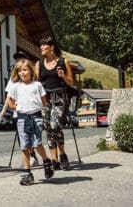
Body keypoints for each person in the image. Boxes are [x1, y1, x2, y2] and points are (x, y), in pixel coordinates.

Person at [9, 59, 54, 185]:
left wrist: (36, 108)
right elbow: (11, 103)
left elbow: (44, 101)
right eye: (19, 71)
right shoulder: (15, 87)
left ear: (30, 70)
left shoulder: (37, 85)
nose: (22, 73)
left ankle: (46, 161)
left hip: (36, 117)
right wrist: (17, 107)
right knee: (24, 147)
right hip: (22, 118)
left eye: (25, 70)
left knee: (36, 144)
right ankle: (28, 173)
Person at [35, 36, 74, 170]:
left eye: (43, 45)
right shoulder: (39, 64)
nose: (41, 48)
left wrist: (63, 75)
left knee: (55, 125)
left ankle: (63, 154)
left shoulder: (64, 62)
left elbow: (71, 82)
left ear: (51, 47)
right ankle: (54, 160)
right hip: (45, 98)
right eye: (40, 46)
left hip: (59, 97)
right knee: (47, 127)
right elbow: (36, 84)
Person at [0, 50, 39, 167]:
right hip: (18, 112)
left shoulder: (32, 77)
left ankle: (32, 157)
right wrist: (3, 109)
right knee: (22, 137)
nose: (18, 62)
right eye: (17, 60)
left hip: (30, 111)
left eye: (21, 59)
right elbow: (9, 96)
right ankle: (30, 158)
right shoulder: (13, 78)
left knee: (30, 136)